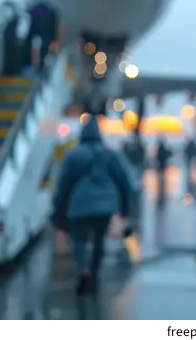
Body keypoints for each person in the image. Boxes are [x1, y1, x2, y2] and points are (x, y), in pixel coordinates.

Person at [53, 115, 133, 295]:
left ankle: (84, 271)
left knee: (80, 240)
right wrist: (124, 211)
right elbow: (124, 183)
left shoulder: (73, 155)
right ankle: (95, 272)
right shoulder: (111, 154)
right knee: (99, 241)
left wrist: (59, 209)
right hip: (105, 207)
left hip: (79, 206)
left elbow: (64, 185)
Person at [155, 137, 172, 207]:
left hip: (160, 165)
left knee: (160, 179)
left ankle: (161, 189)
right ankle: (162, 189)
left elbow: (157, 157)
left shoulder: (160, 149)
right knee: (162, 179)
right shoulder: (164, 149)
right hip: (163, 165)